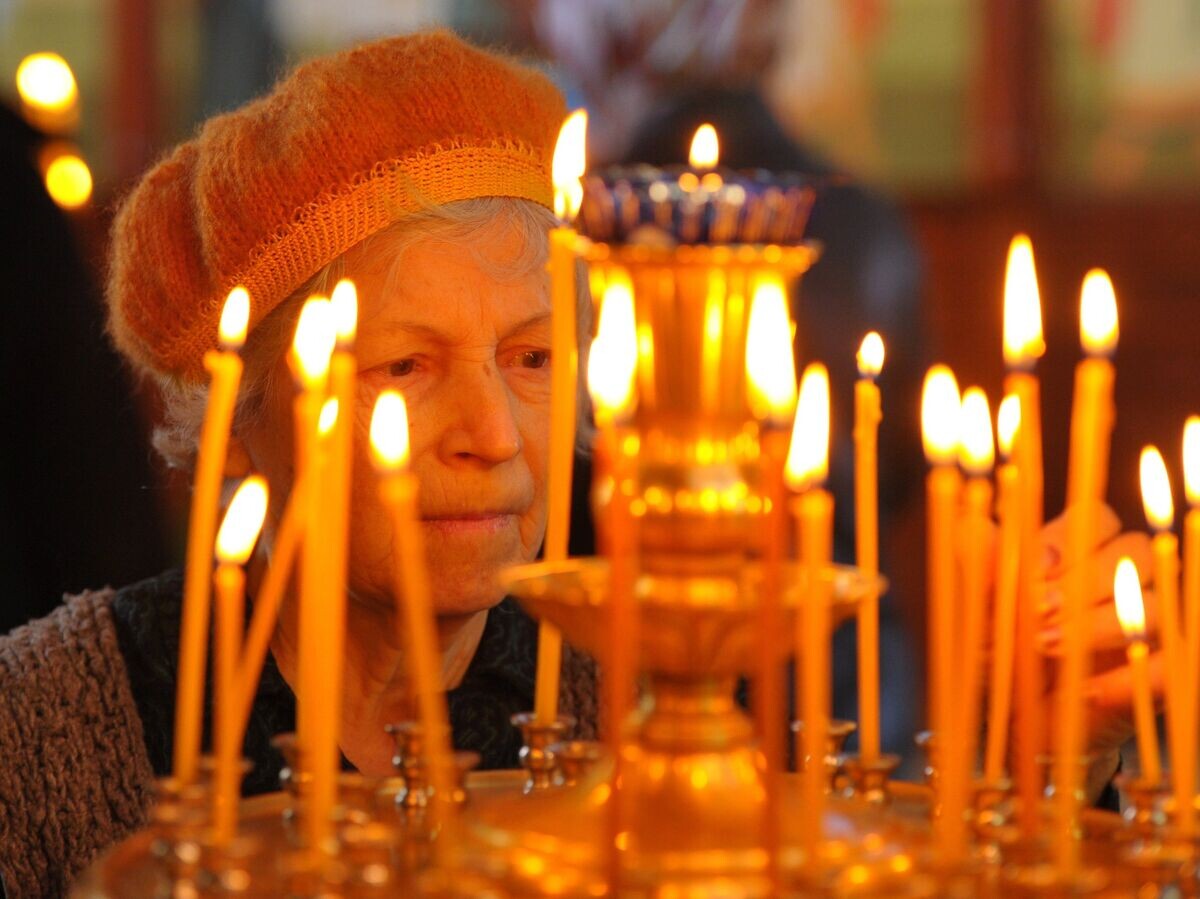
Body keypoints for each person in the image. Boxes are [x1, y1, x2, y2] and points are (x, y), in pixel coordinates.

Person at [0, 32, 597, 896]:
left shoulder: (636, 713)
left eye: (533, 357)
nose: (496, 434)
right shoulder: (46, 730)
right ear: (238, 416)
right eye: (404, 366)